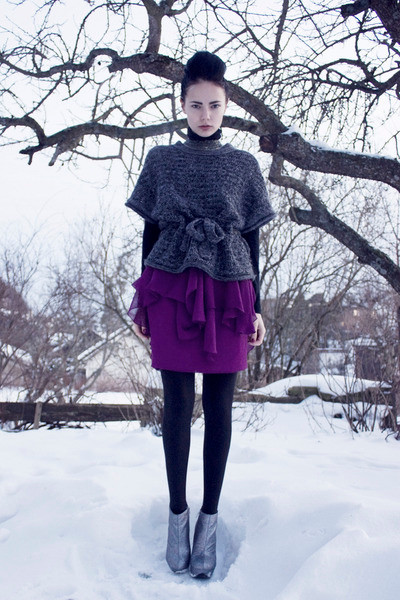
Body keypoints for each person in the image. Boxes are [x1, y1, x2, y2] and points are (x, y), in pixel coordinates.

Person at [126, 51, 275, 579]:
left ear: (226, 104)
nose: (205, 115)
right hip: (171, 288)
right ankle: (177, 518)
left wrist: (257, 306)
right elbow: (149, 232)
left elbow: (252, 240)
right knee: (176, 406)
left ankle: (208, 523)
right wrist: (144, 299)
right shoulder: (161, 160)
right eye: (196, 105)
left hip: (229, 290)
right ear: (182, 104)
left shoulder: (244, 165)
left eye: (214, 105)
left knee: (220, 409)